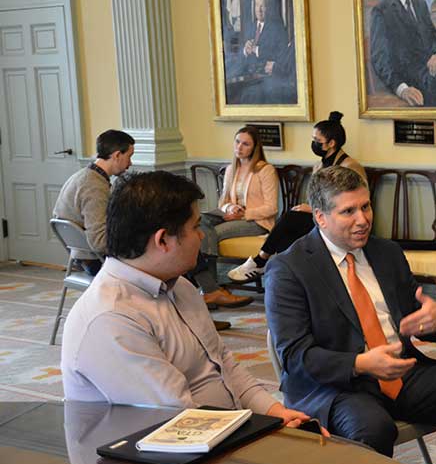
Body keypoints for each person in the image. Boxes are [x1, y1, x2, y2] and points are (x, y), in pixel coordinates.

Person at [265, 166, 436, 464]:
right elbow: (295, 357)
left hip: (402, 370)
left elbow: (416, 316)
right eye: (348, 211)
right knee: (373, 430)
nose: (362, 219)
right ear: (320, 217)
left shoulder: (386, 252)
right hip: (338, 386)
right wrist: (361, 363)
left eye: (365, 207)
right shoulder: (288, 269)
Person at [59, 170, 311, 430]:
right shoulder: (111, 318)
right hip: (165, 460)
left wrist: (274, 411)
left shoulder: (181, 287)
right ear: (163, 240)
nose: (202, 236)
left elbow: (223, 364)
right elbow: (179, 422)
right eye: (195, 227)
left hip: (223, 434)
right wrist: (262, 430)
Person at [227, 111, 365, 282]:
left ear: (331, 143)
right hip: (322, 219)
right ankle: (286, 278)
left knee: (290, 219)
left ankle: (261, 260)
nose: (313, 143)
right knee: (288, 233)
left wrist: (311, 209)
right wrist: (309, 208)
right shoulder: (319, 166)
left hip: (341, 220)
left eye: (317, 141)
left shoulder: (349, 166)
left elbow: (352, 202)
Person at [193, 125, 278, 309]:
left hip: (256, 221)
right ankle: (213, 289)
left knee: (206, 233)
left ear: (255, 148)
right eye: (237, 142)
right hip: (232, 215)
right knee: (198, 221)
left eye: (246, 144)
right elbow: (223, 201)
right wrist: (231, 208)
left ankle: (211, 289)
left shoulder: (265, 170)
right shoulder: (232, 169)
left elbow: (272, 208)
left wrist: (244, 214)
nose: (239, 147)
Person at [53, 129, 135, 275]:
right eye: (129, 156)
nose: (130, 163)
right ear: (117, 155)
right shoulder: (94, 187)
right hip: (95, 262)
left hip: (80, 257)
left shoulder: (83, 175)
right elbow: (99, 241)